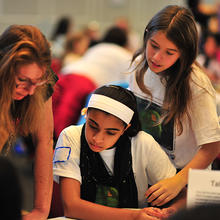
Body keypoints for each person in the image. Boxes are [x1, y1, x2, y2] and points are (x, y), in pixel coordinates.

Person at [129, 5, 220, 208]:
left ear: (184, 54)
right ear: (146, 37)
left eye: (169, 52)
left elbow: (212, 146)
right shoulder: (139, 64)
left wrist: (177, 183)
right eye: (153, 45)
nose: (156, 57)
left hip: (185, 180)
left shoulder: (195, 84)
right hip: (147, 175)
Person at [52, 85, 187, 220]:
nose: (97, 139)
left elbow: (182, 194)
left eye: (111, 132)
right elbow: (72, 207)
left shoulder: (142, 143)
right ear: (86, 114)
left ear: (125, 128)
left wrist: (172, 210)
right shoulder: (71, 137)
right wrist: (134, 216)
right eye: (92, 125)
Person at [0, 25, 58, 219]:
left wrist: (41, 211)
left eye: (38, 81)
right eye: (22, 80)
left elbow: (44, 141)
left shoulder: (37, 85)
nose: (31, 91)